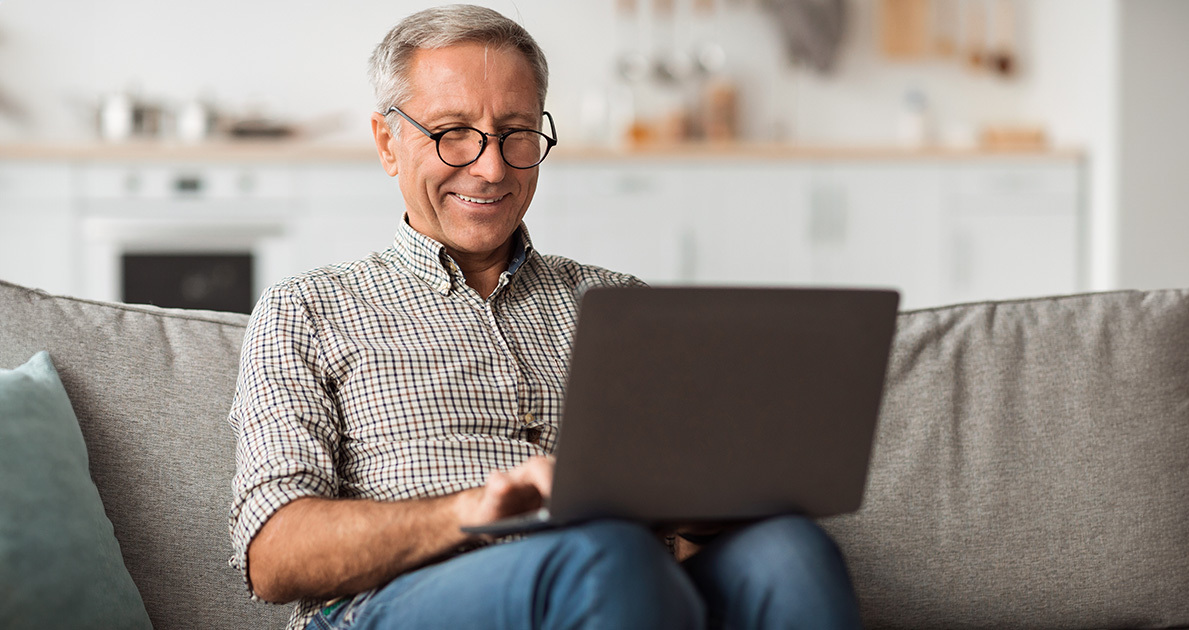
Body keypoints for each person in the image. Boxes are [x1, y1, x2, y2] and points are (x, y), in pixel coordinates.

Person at [228, 5, 863, 629]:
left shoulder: (621, 304)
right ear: (388, 142)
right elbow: (274, 555)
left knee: (791, 553)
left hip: (628, 582)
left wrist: (704, 506)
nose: (492, 166)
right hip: (401, 603)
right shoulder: (307, 309)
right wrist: (469, 510)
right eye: (452, 132)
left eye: (517, 133)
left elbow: (689, 544)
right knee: (605, 559)